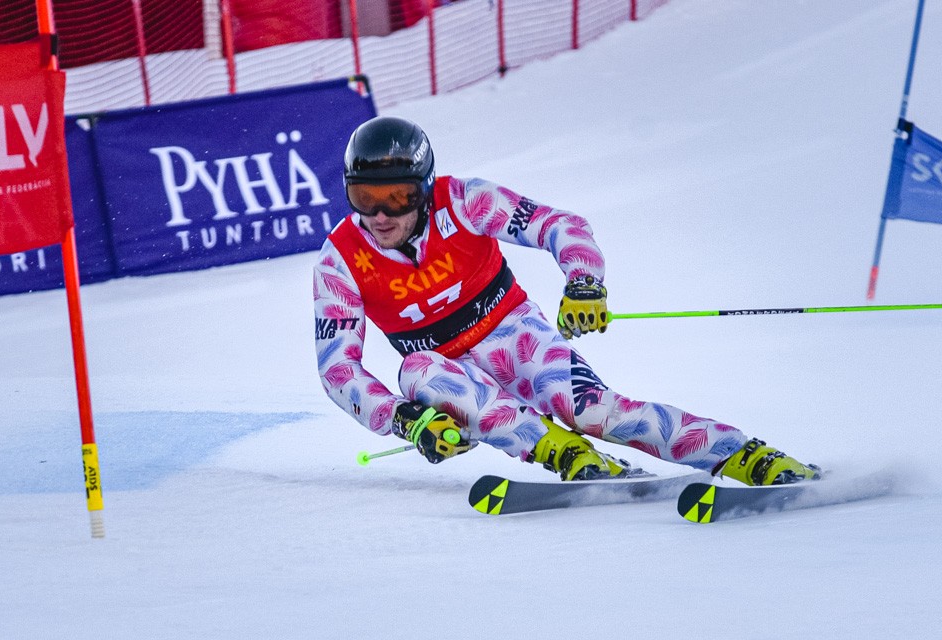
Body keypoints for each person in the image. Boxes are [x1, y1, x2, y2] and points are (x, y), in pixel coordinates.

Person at [313, 116, 820, 485]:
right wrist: (405, 418)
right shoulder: (340, 261)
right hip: (445, 370)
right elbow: (338, 370)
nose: (380, 216)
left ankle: (748, 457)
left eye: (397, 197)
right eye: (364, 199)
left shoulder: (465, 200)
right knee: (417, 371)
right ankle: (567, 455)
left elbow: (558, 225)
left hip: (514, 335)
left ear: (423, 189)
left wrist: (584, 282)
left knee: (595, 412)